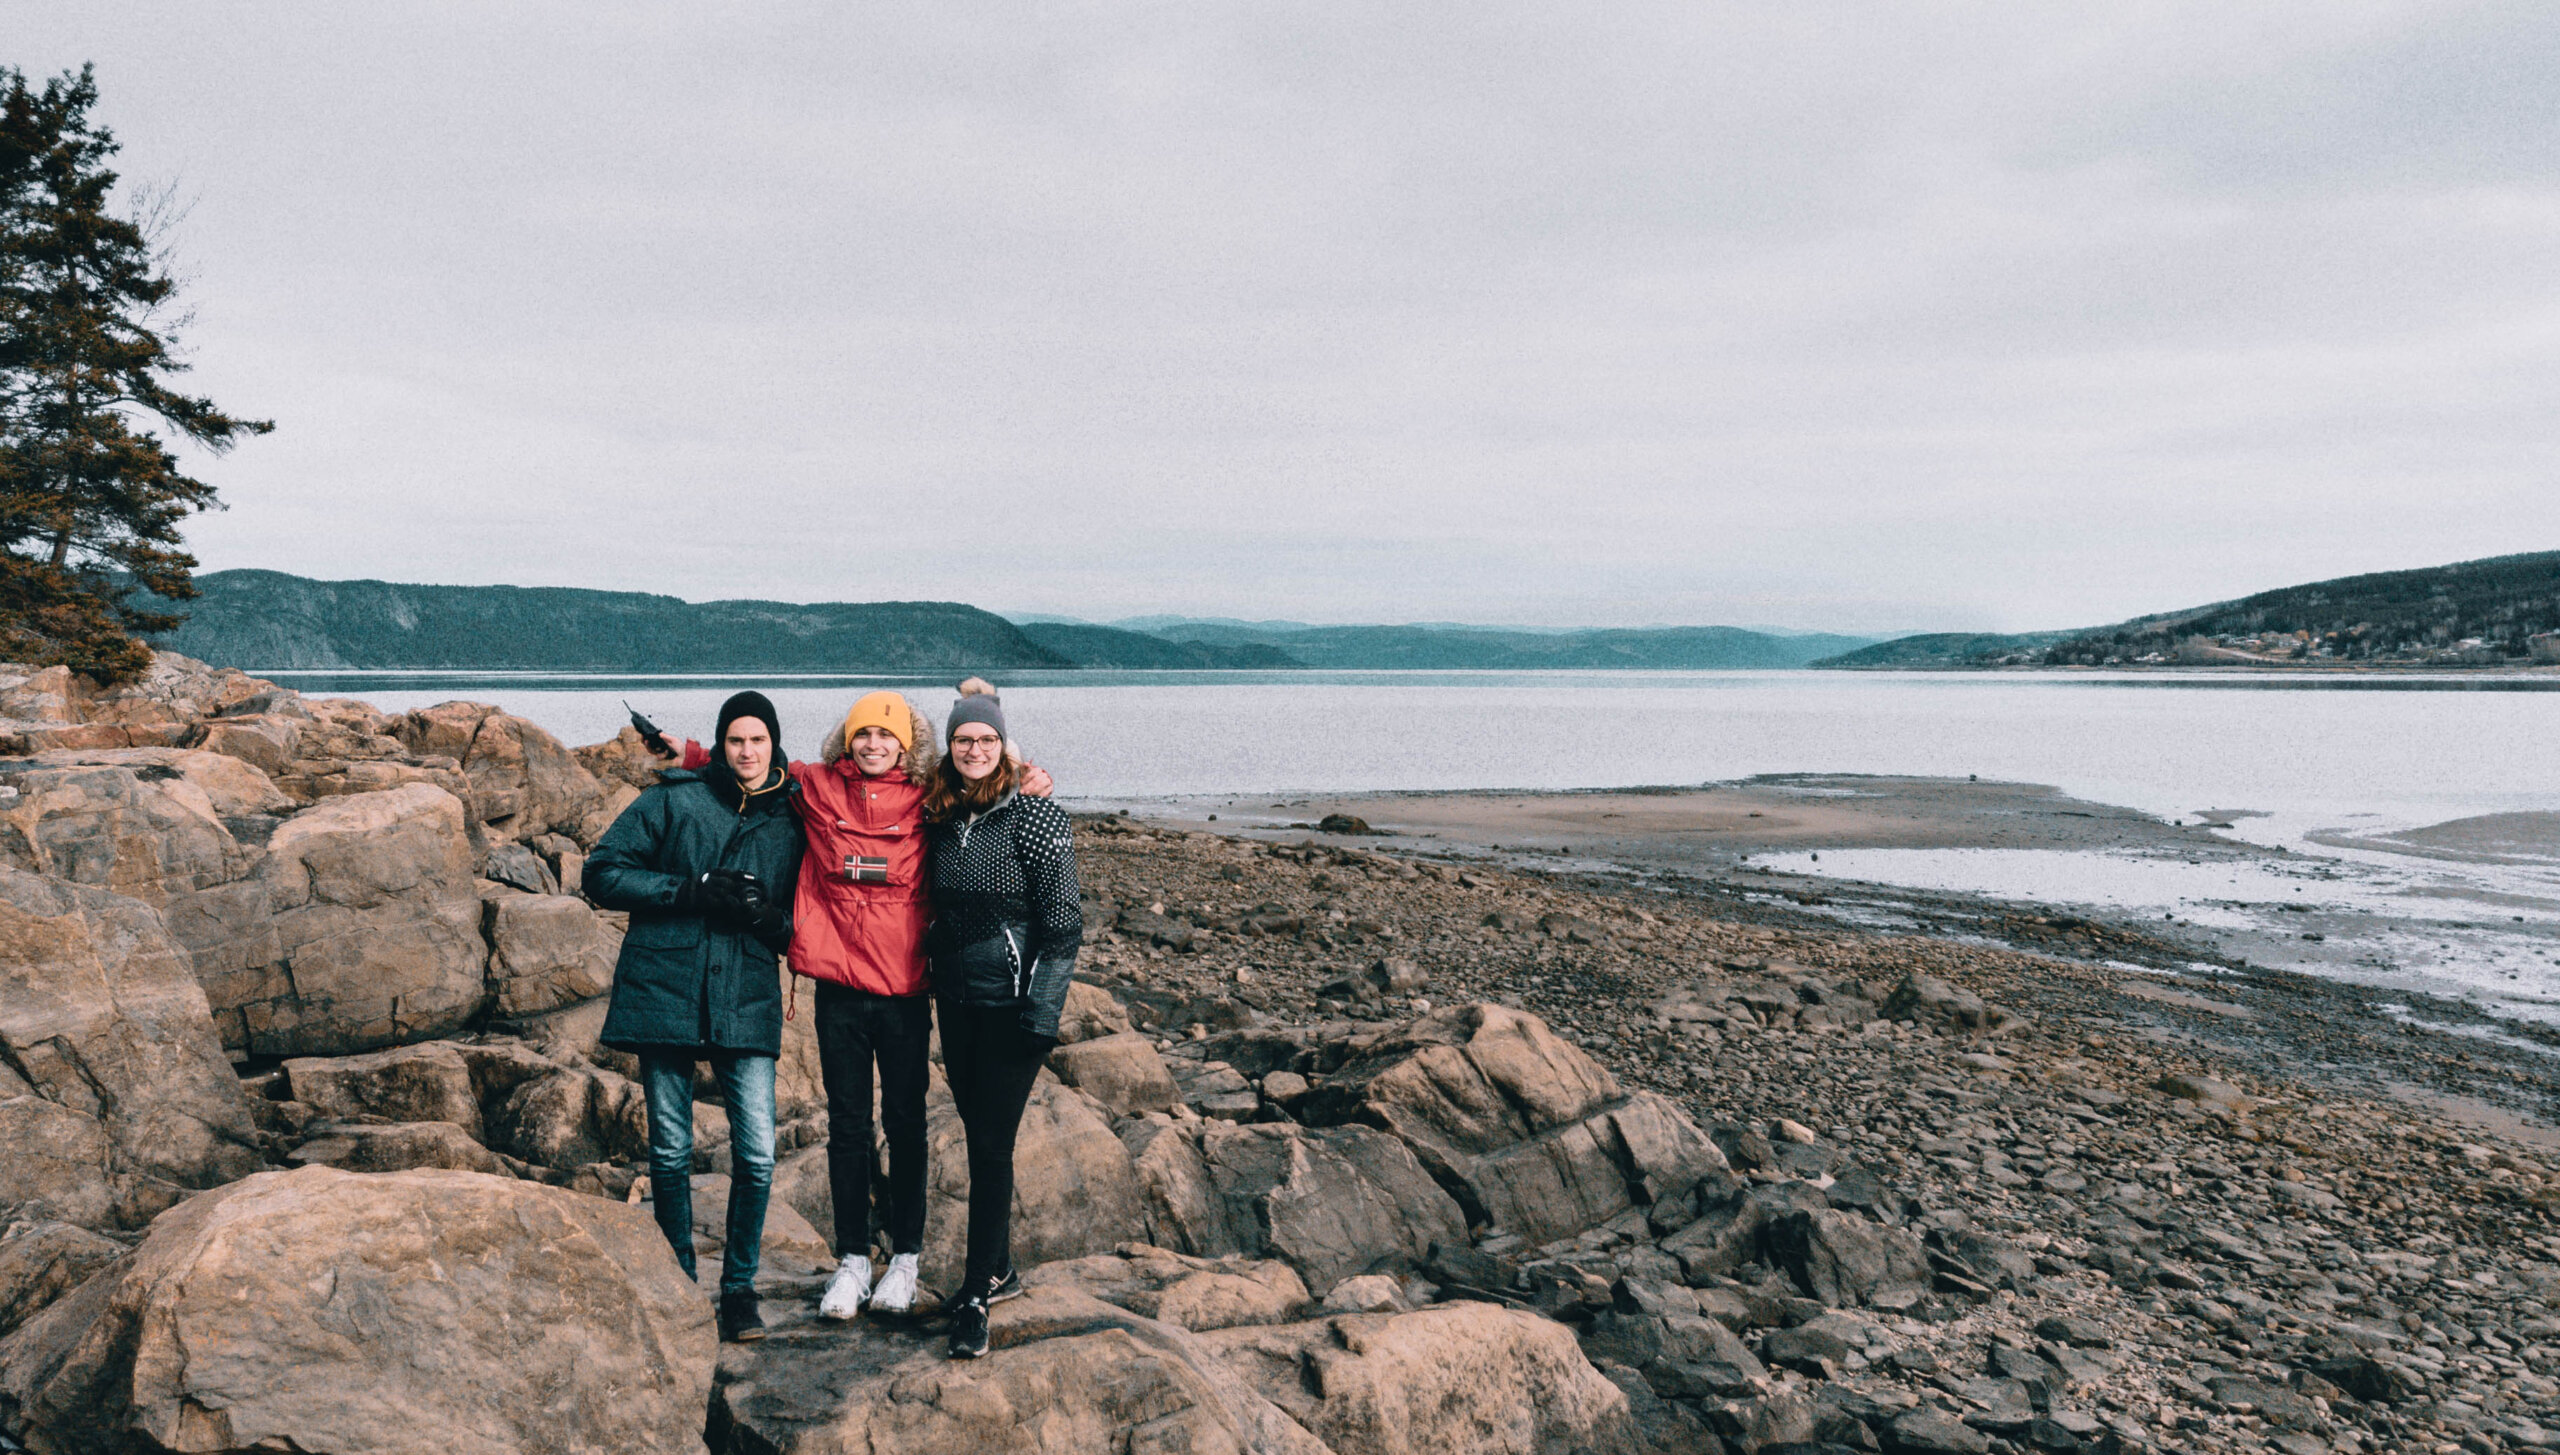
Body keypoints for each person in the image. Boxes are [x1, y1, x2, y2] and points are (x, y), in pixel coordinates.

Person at [655, 689, 1054, 1321]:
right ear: (847, 740)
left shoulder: (932, 796)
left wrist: (1027, 775)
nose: (873, 745)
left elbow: (986, 776)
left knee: (906, 1124)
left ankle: (906, 1260)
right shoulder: (815, 786)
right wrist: (693, 750)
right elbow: (758, 767)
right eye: (862, 734)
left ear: (905, 745)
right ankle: (851, 1261)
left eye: (886, 736)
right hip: (838, 986)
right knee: (846, 1124)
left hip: (903, 990)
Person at [587, 690, 803, 1343]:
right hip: (668, 984)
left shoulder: (794, 819)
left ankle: (739, 1290)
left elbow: (817, 913)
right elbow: (601, 872)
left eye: (757, 740)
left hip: (746, 990)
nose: (746, 751)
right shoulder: (673, 799)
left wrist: (773, 922)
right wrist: (687, 890)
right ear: (722, 743)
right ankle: (681, 1276)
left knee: (759, 1152)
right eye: (736, 740)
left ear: (773, 745)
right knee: (671, 1147)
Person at [923, 680, 1082, 1359]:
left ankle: (976, 1300)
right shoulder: (939, 812)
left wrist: (1042, 1015)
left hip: (1014, 1009)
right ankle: (1003, 1267)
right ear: (951, 747)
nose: (975, 749)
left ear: (1004, 746)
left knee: (990, 1144)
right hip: (956, 1002)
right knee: (979, 1132)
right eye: (964, 739)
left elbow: (1065, 924)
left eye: (987, 739)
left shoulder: (1036, 817)